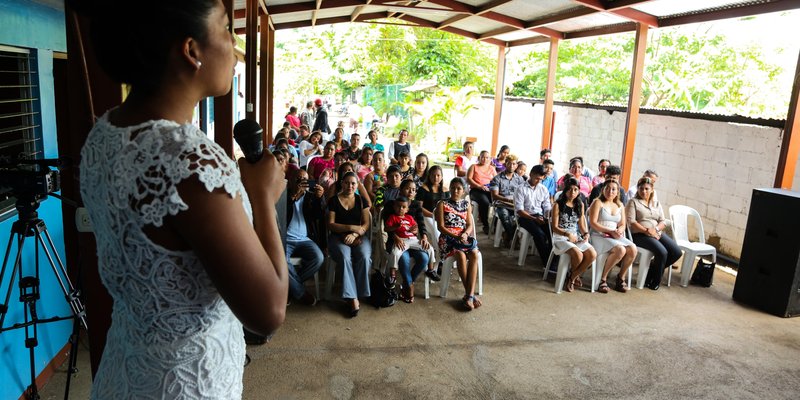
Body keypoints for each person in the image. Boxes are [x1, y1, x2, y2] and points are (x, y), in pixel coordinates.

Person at [76, 1, 287, 398]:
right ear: (192, 51)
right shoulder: (187, 163)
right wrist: (262, 196)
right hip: (186, 384)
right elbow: (268, 312)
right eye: (227, 29)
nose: (235, 46)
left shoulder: (105, 136)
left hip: (127, 367)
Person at [327, 172, 372, 318]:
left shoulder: (361, 200)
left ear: (357, 184)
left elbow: (366, 224)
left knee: (365, 256)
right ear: (342, 183)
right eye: (347, 183)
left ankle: (358, 293)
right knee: (345, 257)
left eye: (353, 183)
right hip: (337, 237)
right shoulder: (334, 200)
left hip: (358, 237)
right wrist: (351, 228)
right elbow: (331, 225)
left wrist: (355, 234)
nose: (350, 186)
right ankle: (352, 298)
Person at [626, 177, 681, 290]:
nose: (644, 191)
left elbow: (663, 221)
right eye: (641, 188)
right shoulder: (633, 202)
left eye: (646, 189)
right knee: (662, 252)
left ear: (652, 189)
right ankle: (654, 281)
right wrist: (647, 231)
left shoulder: (656, 203)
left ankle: (652, 271)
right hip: (639, 235)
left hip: (656, 232)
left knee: (676, 252)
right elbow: (632, 222)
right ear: (638, 189)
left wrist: (655, 230)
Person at [436, 178, 482, 310]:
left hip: (463, 237)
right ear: (449, 188)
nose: (455, 191)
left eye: (458, 188)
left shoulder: (466, 205)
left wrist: (465, 234)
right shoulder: (442, 203)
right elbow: (440, 227)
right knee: (460, 255)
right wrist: (455, 235)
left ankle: (469, 295)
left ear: (463, 191)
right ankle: (470, 295)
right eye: (453, 187)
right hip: (448, 238)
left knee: (474, 254)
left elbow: (468, 224)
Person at [384, 194, 437, 303]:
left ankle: (431, 269)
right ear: (394, 207)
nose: (400, 209)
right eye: (398, 206)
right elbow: (386, 228)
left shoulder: (409, 217)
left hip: (412, 240)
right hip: (401, 240)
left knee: (429, 248)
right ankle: (393, 275)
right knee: (395, 253)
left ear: (408, 208)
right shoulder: (392, 217)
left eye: (403, 207)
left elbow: (416, 228)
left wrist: (415, 231)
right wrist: (396, 227)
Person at [588, 180, 637, 293]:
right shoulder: (597, 202)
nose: (610, 191)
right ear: (603, 189)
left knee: (632, 249)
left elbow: (623, 224)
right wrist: (610, 231)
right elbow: (593, 223)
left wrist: (619, 230)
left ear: (617, 192)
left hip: (614, 235)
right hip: (598, 235)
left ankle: (620, 278)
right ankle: (603, 279)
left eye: (613, 189)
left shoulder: (620, 205)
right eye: (607, 188)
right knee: (620, 250)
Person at [285, 168, 324, 305]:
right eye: (298, 180)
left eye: (304, 180)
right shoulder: (284, 195)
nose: (301, 183)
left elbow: (318, 216)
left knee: (318, 258)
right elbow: (280, 215)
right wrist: (293, 197)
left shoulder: (310, 196)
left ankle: (290, 289)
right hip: (286, 239)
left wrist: (319, 199)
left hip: (305, 239)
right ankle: (301, 293)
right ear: (290, 181)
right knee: (281, 260)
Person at [551, 178, 596, 292]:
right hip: (561, 236)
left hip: (575, 237)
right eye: (570, 189)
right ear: (565, 190)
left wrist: (585, 233)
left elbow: (581, 224)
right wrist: (567, 234)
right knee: (578, 255)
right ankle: (573, 279)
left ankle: (572, 276)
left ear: (579, 191)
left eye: (576, 190)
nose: (573, 192)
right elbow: (554, 227)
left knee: (592, 254)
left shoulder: (579, 204)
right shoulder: (558, 205)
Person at [513, 165, 553, 266]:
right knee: (540, 235)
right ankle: (547, 263)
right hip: (525, 217)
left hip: (538, 216)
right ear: (530, 174)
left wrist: (548, 216)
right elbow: (520, 210)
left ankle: (551, 259)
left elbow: (547, 205)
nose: (538, 181)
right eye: (536, 178)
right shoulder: (521, 189)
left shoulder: (543, 189)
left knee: (553, 233)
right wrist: (534, 218)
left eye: (541, 179)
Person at [489, 155, 525, 247]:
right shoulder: (497, 178)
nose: (511, 166)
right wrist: (508, 200)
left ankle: (507, 236)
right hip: (501, 204)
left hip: (515, 205)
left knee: (523, 217)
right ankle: (514, 238)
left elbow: (523, 194)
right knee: (505, 215)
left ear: (516, 165)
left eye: (514, 164)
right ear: (505, 164)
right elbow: (495, 196)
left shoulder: (520, 179)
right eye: (509, 163)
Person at [416, 165, 449, 248]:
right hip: (426, 216)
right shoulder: (423, 189)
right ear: (429, 176)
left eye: (438, 175)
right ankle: (438, 252)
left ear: (441, 177)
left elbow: (449, 206)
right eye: (433, 175)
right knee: (436, 232)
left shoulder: (445, 190)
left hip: (441, 217)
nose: (436, 177)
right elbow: (419, 207)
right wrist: (433, 215)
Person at [467, 150, 497, 234]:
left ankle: (495, 225)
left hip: (488, 190)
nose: (484, 159)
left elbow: (496, 180)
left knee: (497, 201)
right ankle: (486, 225)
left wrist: (491, 187)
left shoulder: (491, 168)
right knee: (485, 202)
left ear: (490, 159)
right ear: (479, 158)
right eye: (482, 157)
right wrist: (479, 186)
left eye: (487, 157)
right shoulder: (474, 166)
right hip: (476, 190)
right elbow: (469, 179)